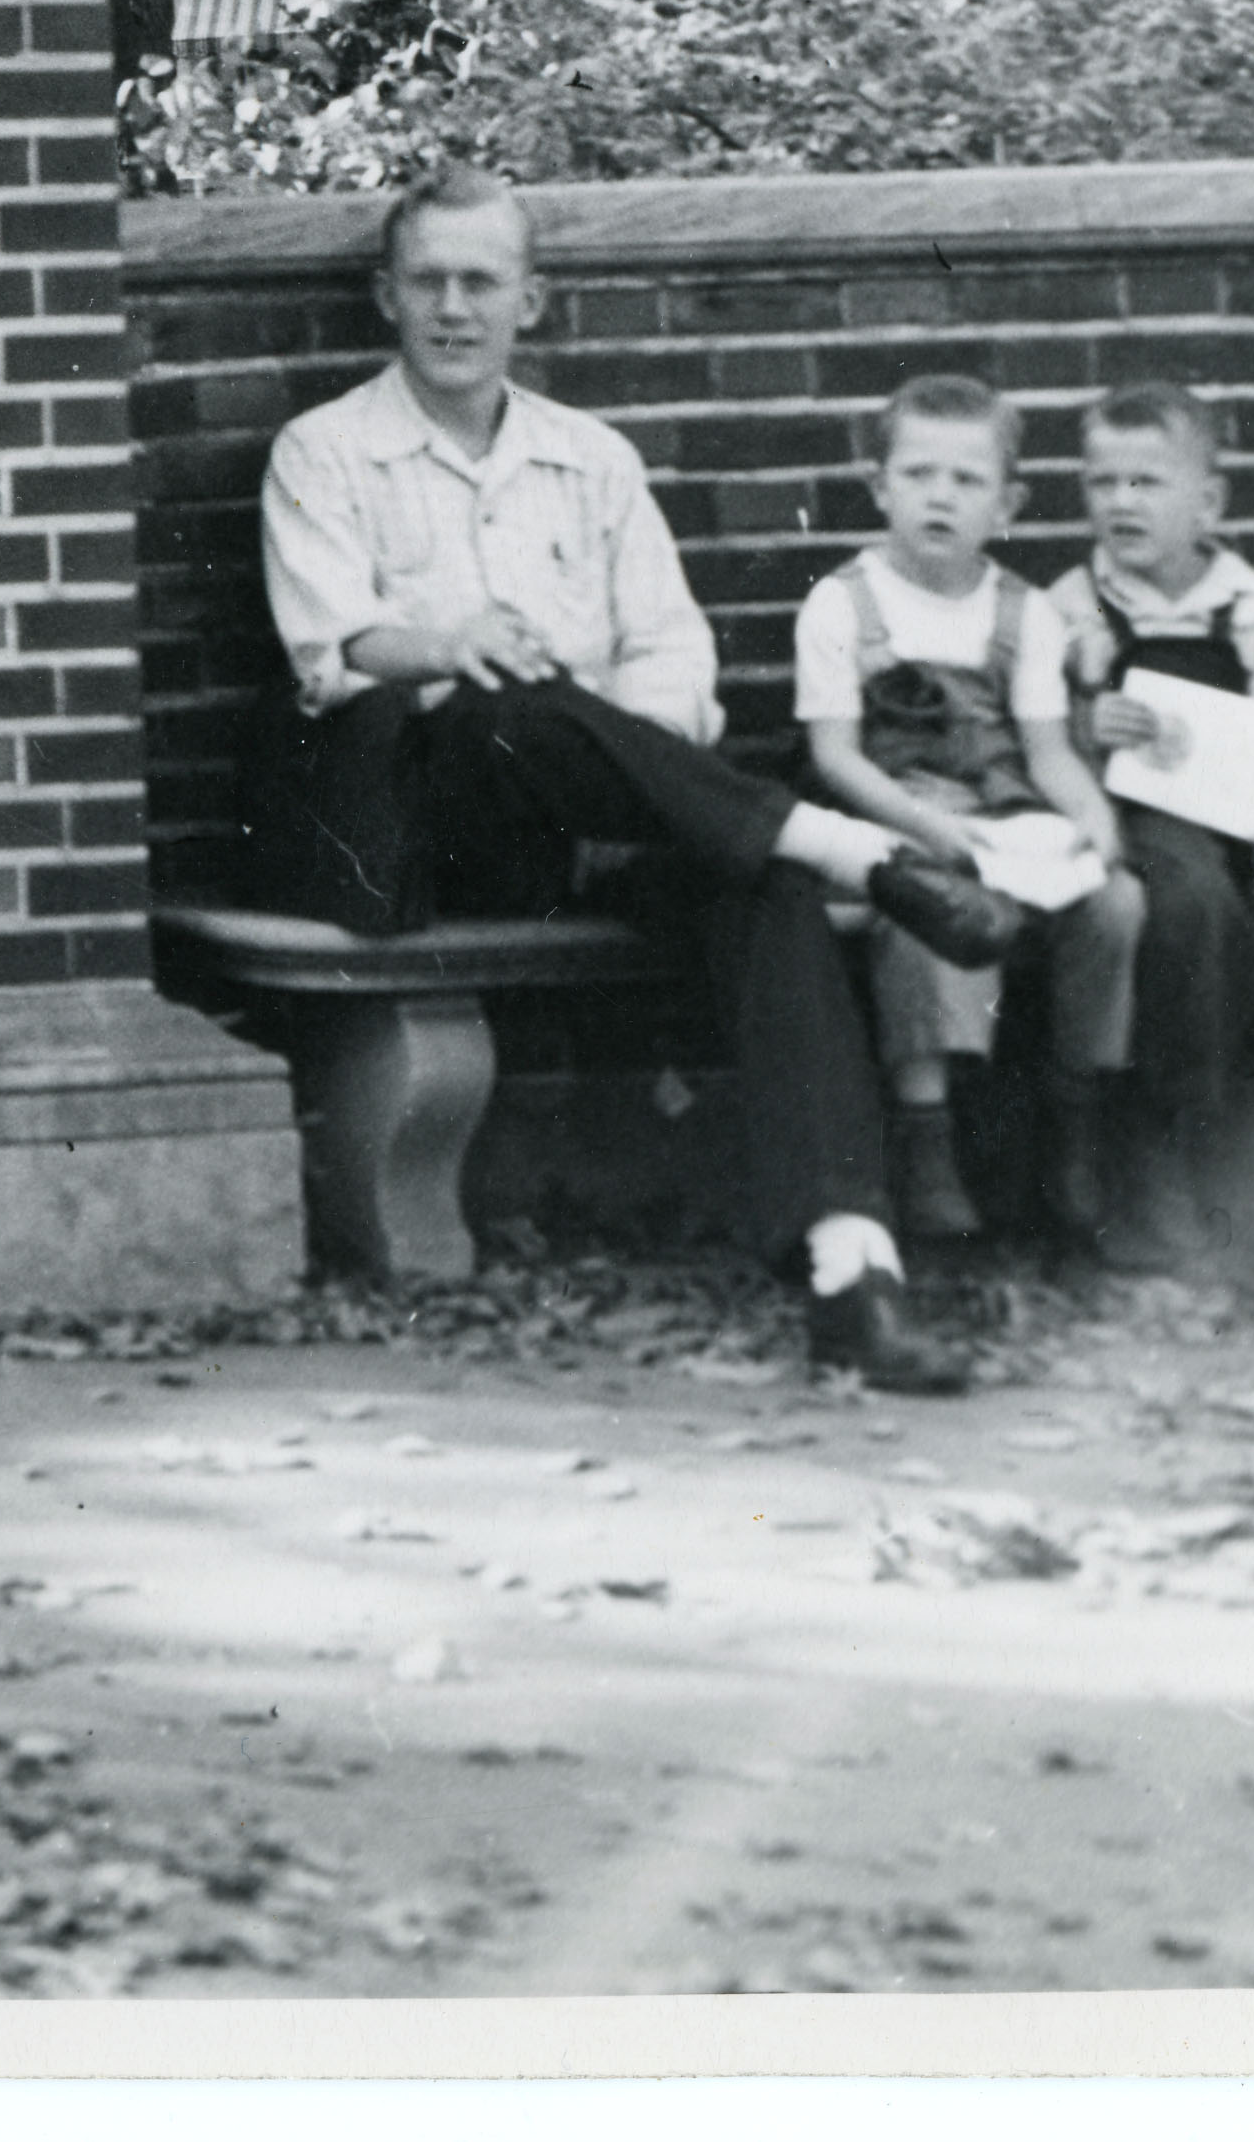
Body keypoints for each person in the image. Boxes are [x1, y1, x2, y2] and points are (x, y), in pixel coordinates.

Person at [255, 161, 1011, 1393]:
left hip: (615, 822)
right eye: (429, 280)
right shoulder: (324, 451)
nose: (454, 306)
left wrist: (620, 777)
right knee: (518, 704)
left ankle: (851, 1272)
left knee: (757, 881)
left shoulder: (591, 459)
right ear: (383, 294)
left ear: (531, 299)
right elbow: (330, 646)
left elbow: (676, 660)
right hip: (437, 820)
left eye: (481, 281)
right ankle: (860, 850)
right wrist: (454, 645)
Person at [788, 373, 1150, 1262]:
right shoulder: (843, 603)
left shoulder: (1023, 613)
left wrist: (1093, 822)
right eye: (917, 476)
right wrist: (924, 827)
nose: (939, 497)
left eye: (966, 480)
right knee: (927, 913)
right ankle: (926, 1139)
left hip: (1003, 816)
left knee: (1115, 902)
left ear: (1009, 504)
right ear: (879, 488)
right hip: (896, 815)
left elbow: (1048, 751)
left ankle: (1074, 1126)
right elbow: (835, 757)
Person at [1065, 381, 1254, 1278]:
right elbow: (1039, 728)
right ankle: (1161, 1144)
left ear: (1207, 502)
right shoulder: (1074, 604)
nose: (1121, 503)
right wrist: (1086, 719)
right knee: (1189, 903)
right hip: (1135, 813)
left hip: (1248, 816)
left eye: (1146, 483)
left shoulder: (1251, 605)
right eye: (1102, 483)